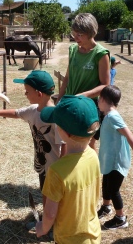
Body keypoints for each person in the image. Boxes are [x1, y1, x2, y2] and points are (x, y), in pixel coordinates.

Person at [0, 70, 66, 231]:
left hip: (56, 168)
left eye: (27, 91)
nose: (25, 94)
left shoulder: (55, 118)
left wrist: (64, 168)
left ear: (38, 93)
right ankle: (47, 223)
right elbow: (16, 113)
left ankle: (57, 228)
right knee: (45, 194)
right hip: (42, 165)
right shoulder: (33, 110)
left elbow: (64, 144)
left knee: (56, 199)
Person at [36, 95, 101, 244]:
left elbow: (50, 214)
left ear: (63, 131)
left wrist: (43, 228)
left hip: (68, 239)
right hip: (93, 234)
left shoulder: (57, 171)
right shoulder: (93, 155)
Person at [56, 13, 110, 151]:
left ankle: (90, 172)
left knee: (88, 145)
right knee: (65, 142)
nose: (75, 37)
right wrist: (60, 98)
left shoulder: (101, 54)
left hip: (88, 107)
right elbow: (67, 77)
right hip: (69, 103)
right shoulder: (73, 49)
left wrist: (83, 96)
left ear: (91, 32)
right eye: (74, 34)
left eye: (79, 34)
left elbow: (105, 85)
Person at [97, 85, 133, 230]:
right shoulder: (108, 115)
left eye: (98, 99)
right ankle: (106, 207)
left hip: (116, 161)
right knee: (106, 184)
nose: (97, 102)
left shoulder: (113, 117)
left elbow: (129, 135)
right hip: (109, 160)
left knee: (113, 189)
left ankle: (121, 219)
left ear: (103, 99)